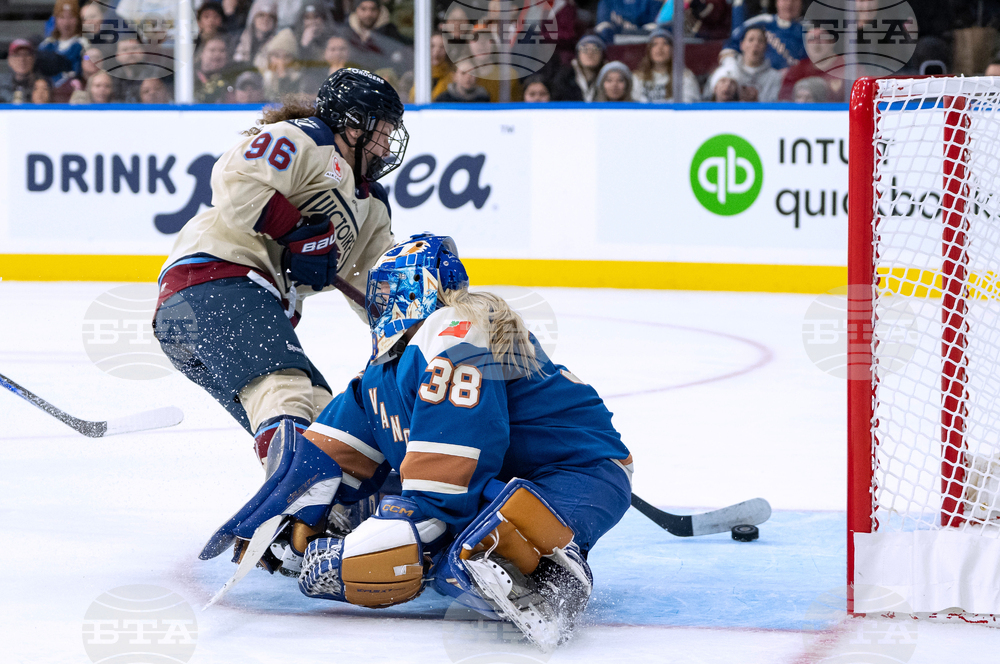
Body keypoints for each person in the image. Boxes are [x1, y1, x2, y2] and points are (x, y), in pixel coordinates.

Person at [199, 234, 633, 649]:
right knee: (414, 526)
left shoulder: (457, 327)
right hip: (502, 474)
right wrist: (294, 513)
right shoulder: (384, 371)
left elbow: (449, 466)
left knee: (472, 550)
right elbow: (324, 460)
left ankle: (552, 578)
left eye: (386, 292)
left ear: (414, 288)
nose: (378, 303)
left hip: (578, 471)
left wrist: (396, 536)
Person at [154, 68, 406, 464]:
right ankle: (297, 487)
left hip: (230, 306)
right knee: (284, 389)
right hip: (214, 280)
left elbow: (376, 284)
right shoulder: (306, 139)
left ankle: (331, 492)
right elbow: (236, 180)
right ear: (355, 125)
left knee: (323, 416)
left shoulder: (371, 205)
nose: (388, 146)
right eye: (384, 132)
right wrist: (296, 231)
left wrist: (417, 332)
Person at [721, 0, 805, 71]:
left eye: (794, 0)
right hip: (757, 78)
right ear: (777, 2)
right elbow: (731, 45)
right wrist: (731, 68)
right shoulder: (762, 22)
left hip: (793, 81)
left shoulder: (808, 32)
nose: (789, 3)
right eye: (785, 0)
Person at [705, 27, 782, 102]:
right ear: (742, 45)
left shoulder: (774, 77)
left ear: (766, 47)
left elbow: (775, 105)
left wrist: (756, 101)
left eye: (760, 41)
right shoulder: (728, 71)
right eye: (751, 40)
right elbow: (707, 100)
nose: (755, 44)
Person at [631, 27, 699, 103]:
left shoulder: (684, 76)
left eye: (665, 43)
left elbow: (688, 104)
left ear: (672, 50)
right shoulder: (638, 77)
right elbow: (633, 105)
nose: (660, 48)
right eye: (655, 44)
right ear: (649, 50)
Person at [38, 0, 90, 91]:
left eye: (71, 17)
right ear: (55, 20)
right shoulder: (47, 45)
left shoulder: (83, 45)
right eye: (62, 17)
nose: (66, 23)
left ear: (78, 20)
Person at [550, 34, 605, 102]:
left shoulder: (609, 76)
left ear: (602, 55)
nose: (590, 54)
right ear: (578, 54)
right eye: (585, 49)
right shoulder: (565, 77)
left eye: (595, 49)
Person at [260, 28, 304, 102]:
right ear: (269, 57)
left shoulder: (300, 78)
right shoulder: (260, 75)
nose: (281, 61)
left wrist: (283, 78)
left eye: (286, 57)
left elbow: (286, 100)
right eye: (276, 56)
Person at [195, 35, 237, 103]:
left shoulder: (233, 80)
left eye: (222, 50)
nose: (217, 54)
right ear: (202, 53)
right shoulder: (189, 79)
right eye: (212, 50)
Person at [0, 39, 39, 104]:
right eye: (17, 55)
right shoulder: (1, 83)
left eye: (26, 55)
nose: (22, 59)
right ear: (9, 60)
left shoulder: (42, 84)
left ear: (33, 59)